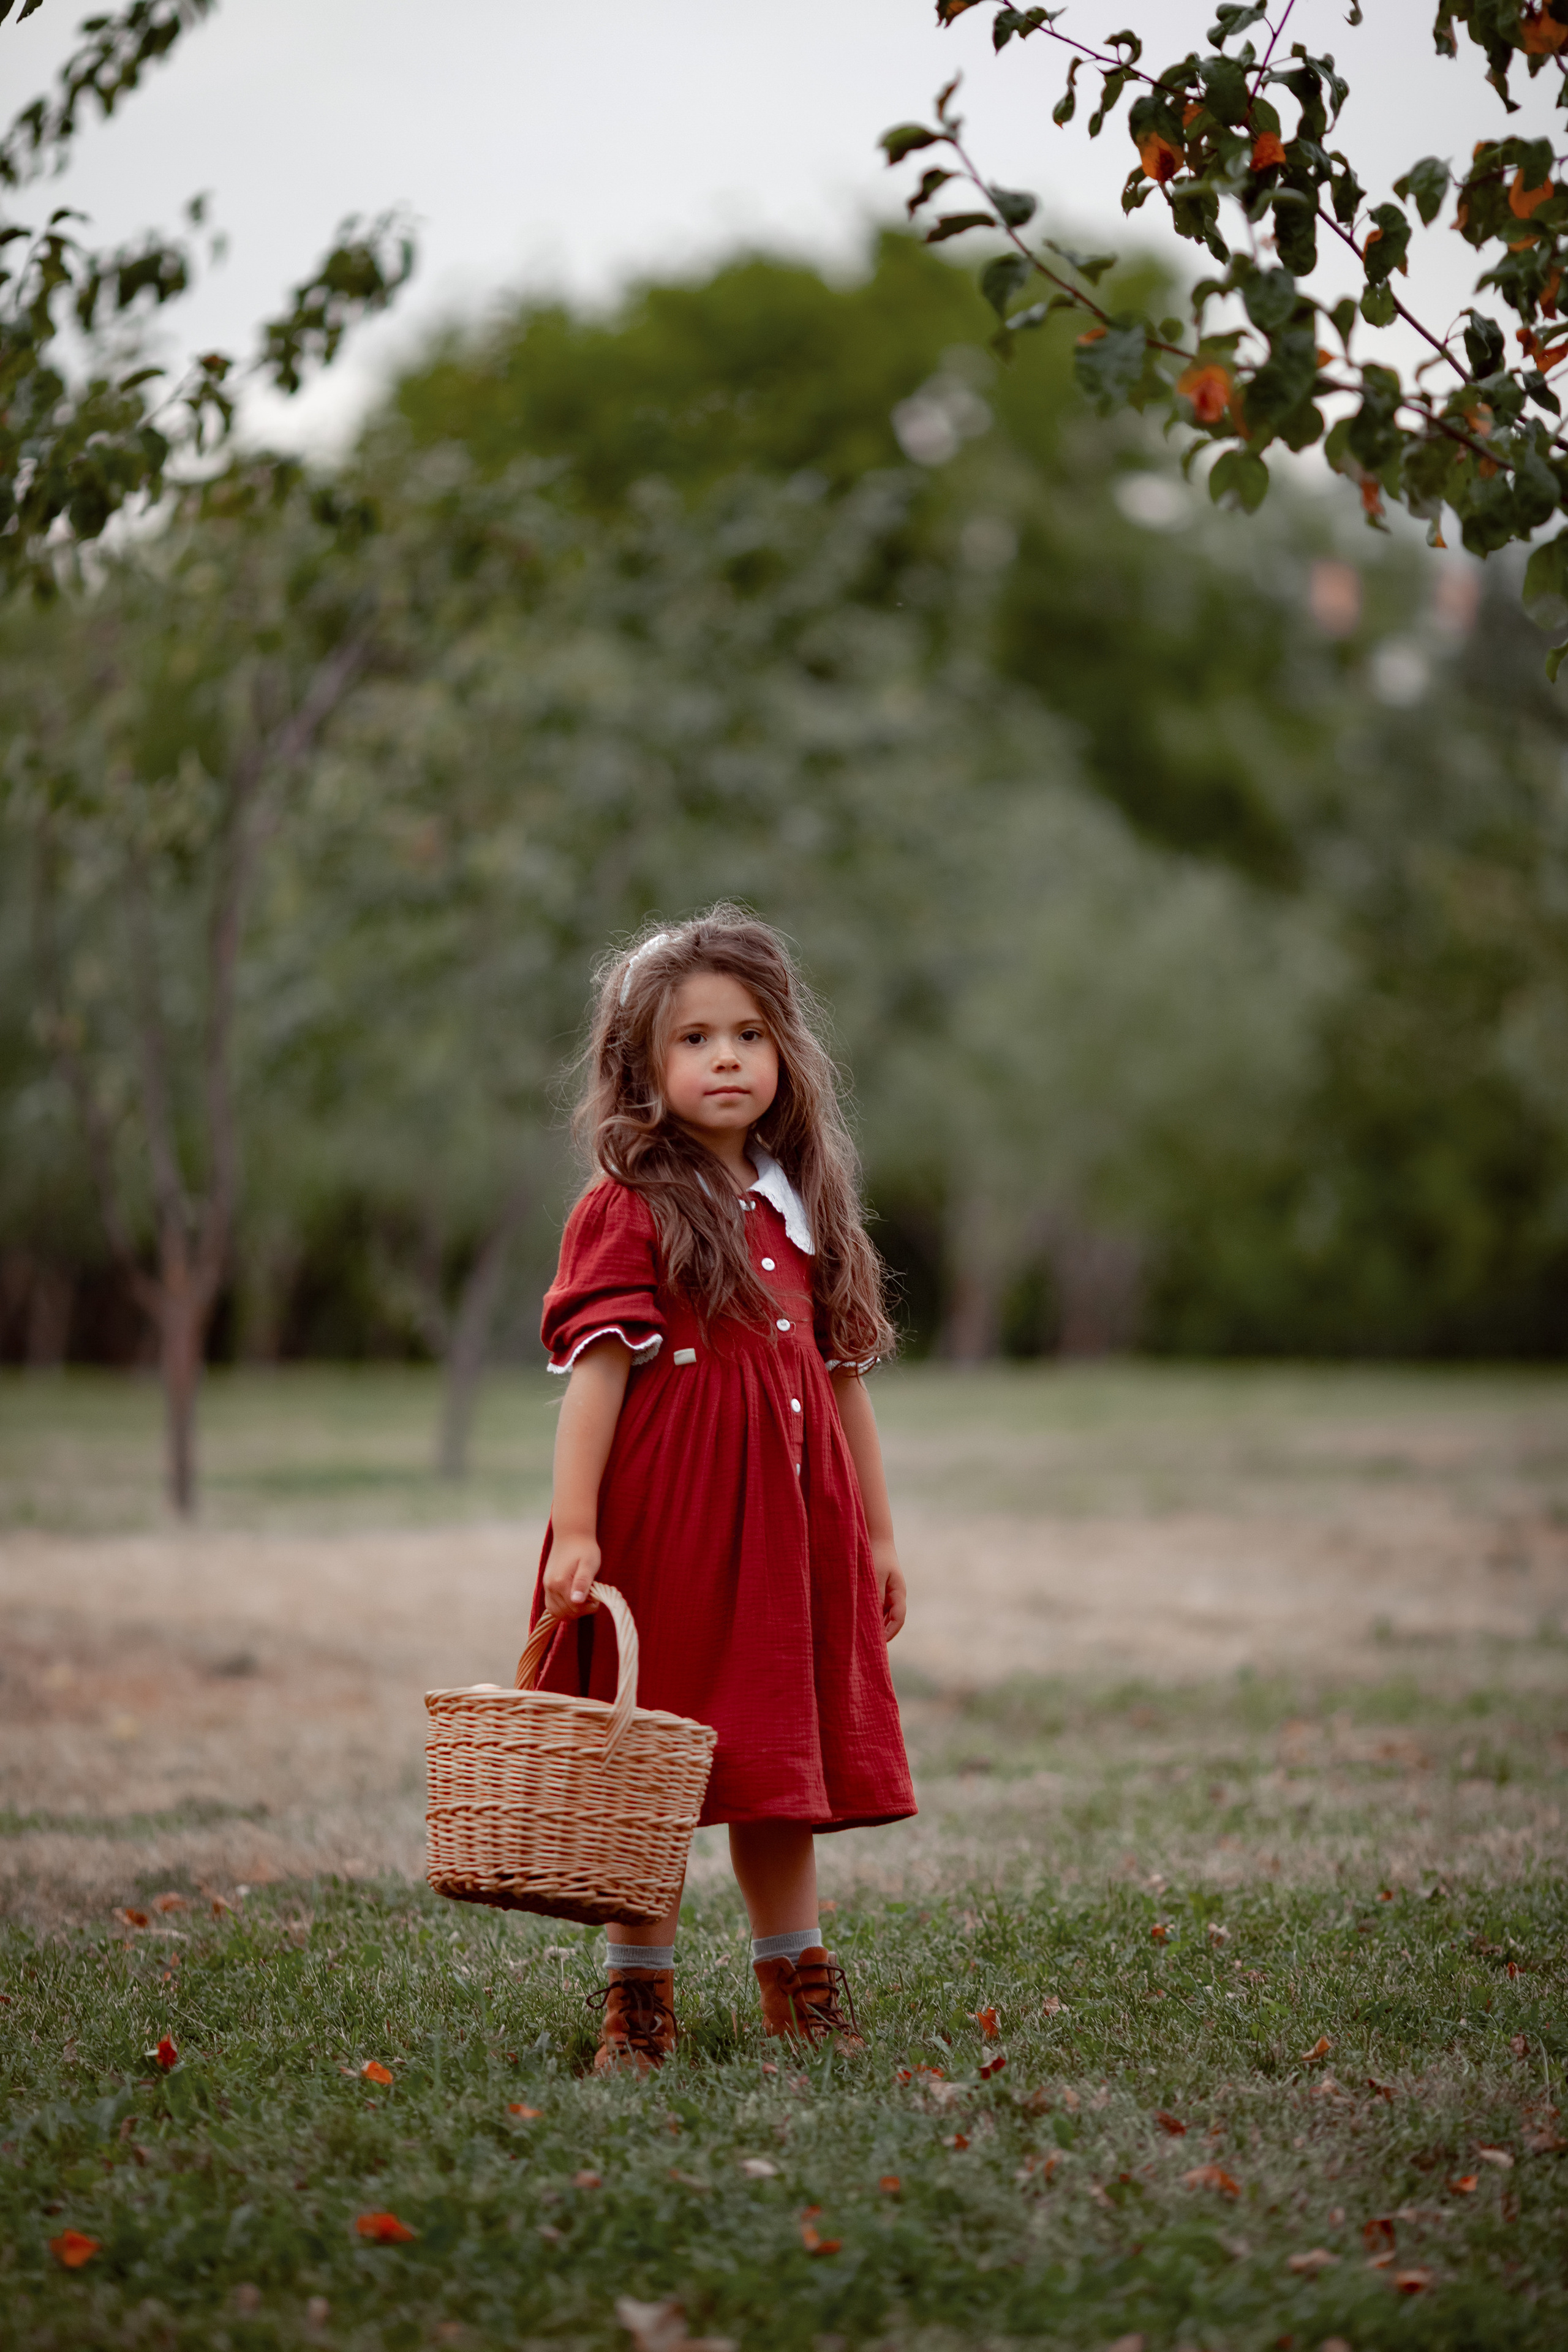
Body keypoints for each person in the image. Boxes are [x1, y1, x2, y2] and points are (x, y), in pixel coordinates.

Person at [530, 907, 914, 2074]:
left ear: (788, 1054)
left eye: (750, 1033)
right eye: (695, 1039)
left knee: (773, 1762)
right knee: (651, 1764)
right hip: (671, 1525)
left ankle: (795, 1979)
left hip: (794, 1526)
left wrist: (883, 1536)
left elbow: (842, 1383)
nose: (728, 1058)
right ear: (642, 1070)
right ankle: (637, 2000)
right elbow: (596, 1380)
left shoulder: (805, 1210)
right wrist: (580, 1530)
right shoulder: (629, 1205)